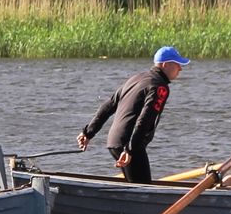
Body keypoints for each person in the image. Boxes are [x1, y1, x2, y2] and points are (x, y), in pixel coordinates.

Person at [76, 45, 189, 183]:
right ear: (165, 65)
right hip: (128, 143)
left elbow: (108, 105)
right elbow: (145, 120)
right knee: (145, 190)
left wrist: (88, 133)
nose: (180, 69)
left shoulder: (136, 78)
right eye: (177, 65)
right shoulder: (160, 87)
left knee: (135, 184)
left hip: (114, 141)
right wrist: (130, 150)